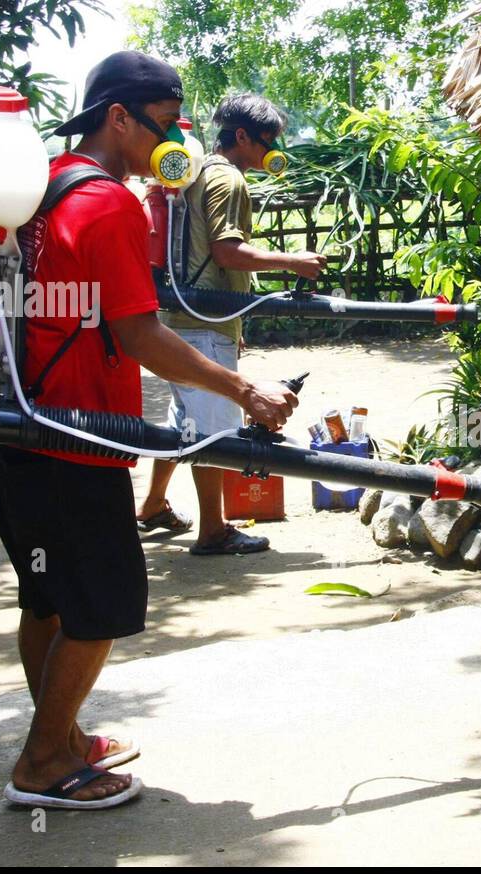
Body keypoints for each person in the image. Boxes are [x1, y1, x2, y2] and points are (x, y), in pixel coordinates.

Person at [0, 51, 299, 808]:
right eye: (163, 121)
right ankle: (44, 764)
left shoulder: (39, 187)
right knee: (105, 603)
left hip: (6, 428)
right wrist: (243, 388)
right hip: (73, 437)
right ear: (119, 117)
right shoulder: (108, 202)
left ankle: (64, 736)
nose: (173, 136)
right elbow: (143, 336)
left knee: (47, 600)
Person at [136, 92, 327, 555]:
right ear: (242, 136)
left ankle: (153, 504)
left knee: (183, 421)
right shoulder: (229, 181)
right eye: (268, 140)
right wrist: (293, 262)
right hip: (206, 321)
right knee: (215, 433)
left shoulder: (195, 172)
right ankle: (213, 531)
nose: (272, 150)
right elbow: (226, 251)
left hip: (182, 317)